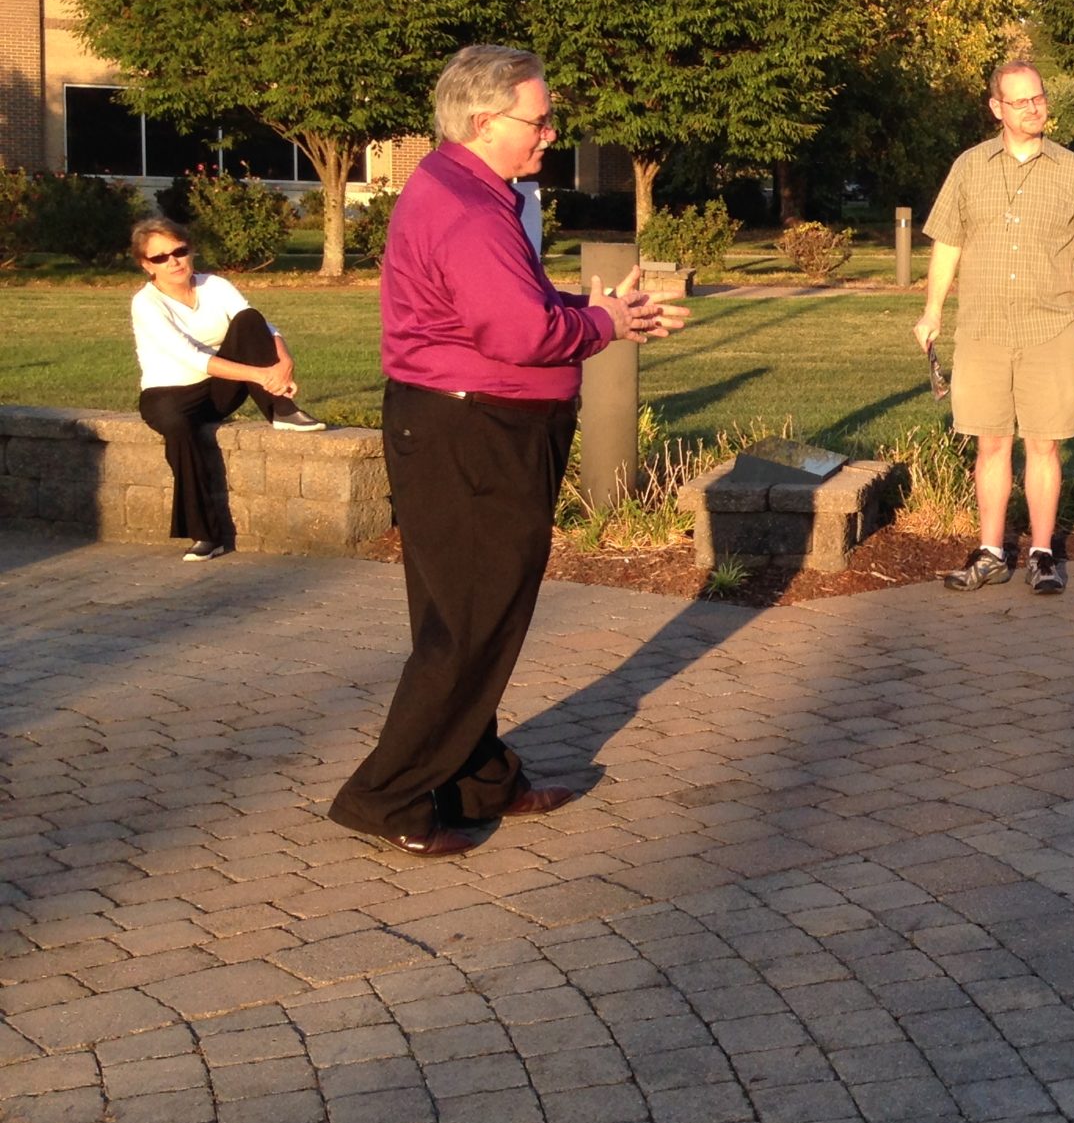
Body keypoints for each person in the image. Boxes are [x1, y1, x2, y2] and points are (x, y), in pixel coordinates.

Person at [329, 45, 687, 858]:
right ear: (487, 121)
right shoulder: (465, 206)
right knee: (469, 624)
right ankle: (386, 796)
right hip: (473, 435)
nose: (551, 132)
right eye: (540, 118)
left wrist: (586, 309)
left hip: (464, 427)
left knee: (469, 614)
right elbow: (519, 332)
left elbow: (515, 303)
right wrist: (605, 325)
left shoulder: (468, 190)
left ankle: (476, 777)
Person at [915, 60, 1074, 595]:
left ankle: (1042, 553)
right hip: (982, 330)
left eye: (1039, 97)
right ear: (997, 109)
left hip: (1051, 330)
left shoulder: (1073, 170)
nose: (1035, 107)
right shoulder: (969, 166)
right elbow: (948, 243)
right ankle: (989, 552)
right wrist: (933, 311)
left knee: (1045, 446)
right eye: (1021, 101)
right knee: (990, 444)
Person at [129, 216, 327, 560]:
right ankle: (205, 534)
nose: (173, 261)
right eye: (161, 257)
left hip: (216, 390)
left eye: (179, 251)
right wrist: (261, 374)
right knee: (179, 428)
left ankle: (283, 410)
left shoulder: (215, 286)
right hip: (169, 396)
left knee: (249, 320)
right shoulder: (146, 304)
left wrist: (285, 362)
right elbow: (191, 358)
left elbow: (261, 326)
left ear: (191, 251)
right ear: (147, 265)